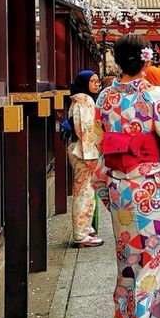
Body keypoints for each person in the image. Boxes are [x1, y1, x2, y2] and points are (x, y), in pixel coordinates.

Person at [93, 34, 160, 318]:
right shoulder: (157, 95)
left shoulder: (104, 97)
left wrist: (104, 188)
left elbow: (99, 145)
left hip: (118, 186)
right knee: (151, 260)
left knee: (126, 259)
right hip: (149, 187)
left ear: (118, 61)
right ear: (147, 60)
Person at [67, 70, 104, 248]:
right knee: (84, 192)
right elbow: (86, 129)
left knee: (86, 190)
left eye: (98, 81)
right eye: (92, 81)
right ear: (84, 83)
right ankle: (81, 233)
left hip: (80, 148)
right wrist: (91, 155)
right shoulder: (84, 100)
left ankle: (85, 227)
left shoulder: (81, 98)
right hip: (83, 151)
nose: (96, 84)